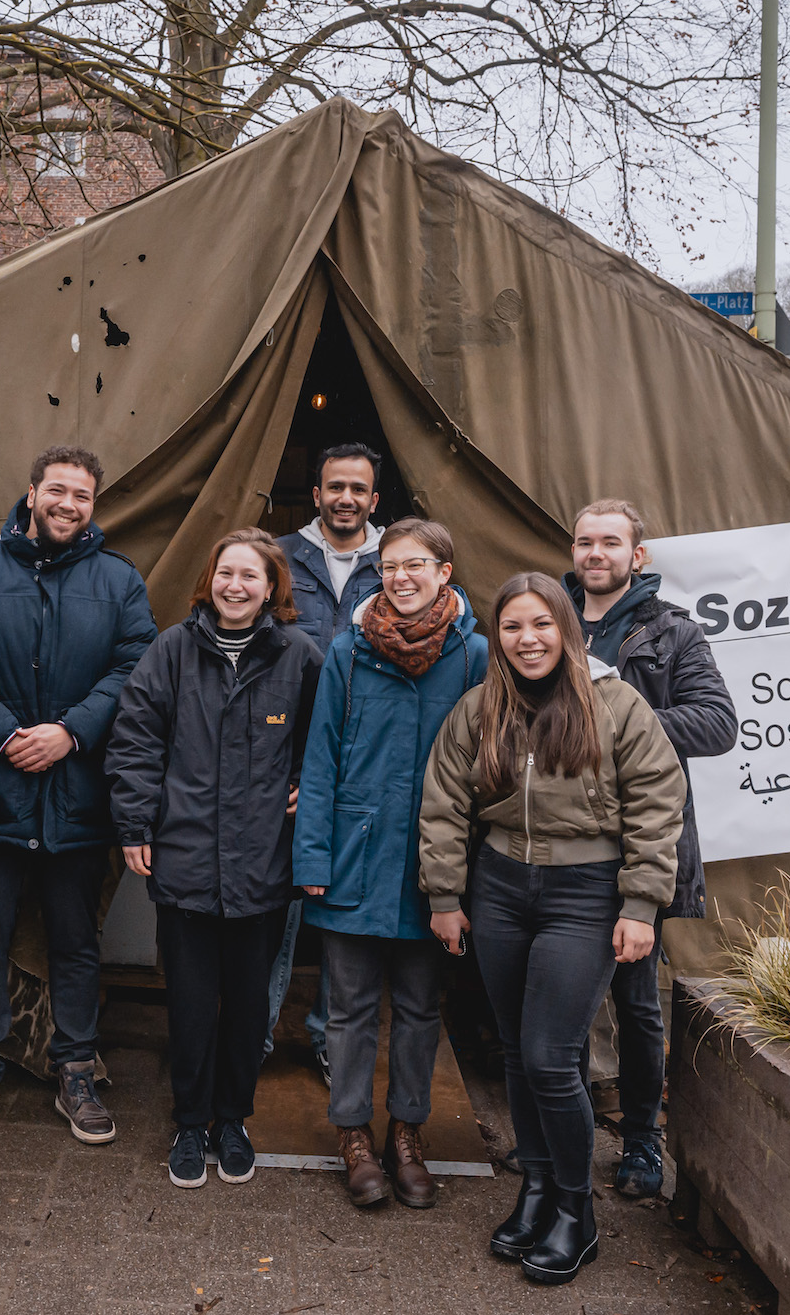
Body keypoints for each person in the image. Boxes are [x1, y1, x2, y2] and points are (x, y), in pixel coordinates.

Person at [418, 573, 687, 1286]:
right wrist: (446, 893)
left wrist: (641, 904)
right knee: (515, 1048)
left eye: (541, 624)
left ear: (566, 629)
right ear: (496, 636)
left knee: (547, 1054)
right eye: (512, 626)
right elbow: (444, 801)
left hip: (586, 891)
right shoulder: (480, 709)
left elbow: (659, 804)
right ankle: (535, 1188)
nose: (527, 638)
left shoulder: (615, 706)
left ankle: (577, 1210)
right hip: (501, 886)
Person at [0, 446, 157, 1147]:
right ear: (31, 493)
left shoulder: (119, 580)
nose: (68, 503)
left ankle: (76, 1066)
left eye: (82, 495)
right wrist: (4, 734)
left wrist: (71, 732)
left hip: (79, 795)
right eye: (57, 490)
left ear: (93, 505)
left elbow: (135, 663)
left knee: (76, 943)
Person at [106, 530, 323, 1188]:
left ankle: (234, 1118)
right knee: (193, 1002)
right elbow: (136, 737)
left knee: (249, 1005)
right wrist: (136, 820)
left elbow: (327, 742)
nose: (236, 585)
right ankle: (190, 1121)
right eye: (225, 572)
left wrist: (305, 786)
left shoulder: (300, 656)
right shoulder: (172, 650)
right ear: (211, 579)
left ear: (270, 587)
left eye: (250, 576)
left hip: (262, 866)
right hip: (187, 859)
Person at [292, 517, 489, 1210]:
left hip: (433, 867)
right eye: (391, 565)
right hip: (353, 856)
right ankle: (352, 1133)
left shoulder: (475, 656)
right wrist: (312, 852)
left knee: (417, 1008)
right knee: (346, 1010)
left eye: (417, 565)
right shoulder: (349, 650)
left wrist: (467, 875)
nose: (401, 576)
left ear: (444, 571)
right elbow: (321, 758)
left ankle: (406, 1132)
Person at [563, 499, 735, 1197]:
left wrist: (615, 724)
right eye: (584, 541)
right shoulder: (550, 619)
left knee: (636, 1003)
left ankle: (641, 1141)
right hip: (560, 846)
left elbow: (717, 723)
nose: (595, 553)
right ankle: (560, 1136)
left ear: (639, 556)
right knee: (559, 1004)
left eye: (610, 541)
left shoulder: (673, 633)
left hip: (638, 842)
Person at [266, 443, 387, 1081]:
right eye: (333, 486)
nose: (345, 498)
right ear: (315, 495)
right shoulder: (278, 559)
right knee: (276, 909)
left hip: (366, 767)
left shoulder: (400, 563)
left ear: (374, 499)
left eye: (357, 489)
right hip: (286, 766)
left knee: (349, 914)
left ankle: (328, 1040)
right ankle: (253, 1038)